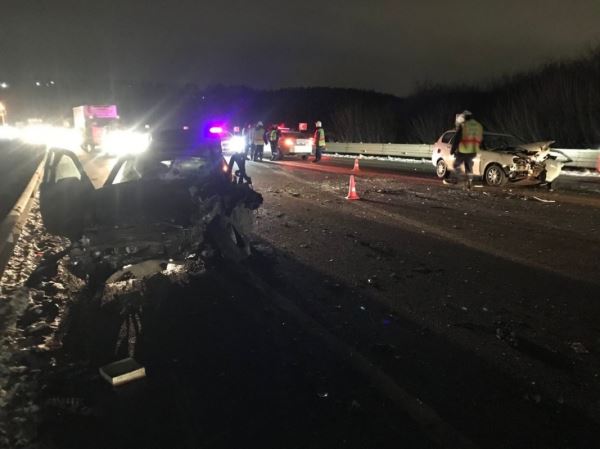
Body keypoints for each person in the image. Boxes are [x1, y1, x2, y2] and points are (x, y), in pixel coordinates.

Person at [445, 110, 483, 189]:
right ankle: (469, 182)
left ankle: (462, 179)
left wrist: (452, 150)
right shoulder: (478, 126)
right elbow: (480, 139)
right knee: (469, 167)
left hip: (463, 150)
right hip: (473, 151)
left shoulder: (463, 126)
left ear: (465, 118)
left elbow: (457, 139)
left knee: (456, 165)